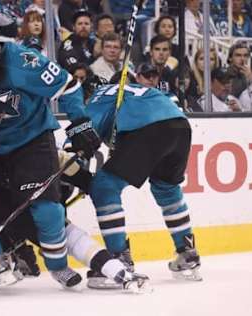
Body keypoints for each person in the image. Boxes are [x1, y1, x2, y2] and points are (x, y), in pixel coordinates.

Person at [0, 19, 101, 289]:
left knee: (47, 211)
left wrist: (80, 123)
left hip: (32, 140)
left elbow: (69, 86)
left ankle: (58, 266)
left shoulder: (24, 61)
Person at [85, 82, 202, 281]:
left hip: (148, 128)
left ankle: (118, 259)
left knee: (104, 186)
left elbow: (85, 132)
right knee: (166, 187)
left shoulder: (98, 96)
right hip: (180, 125)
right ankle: (187, 254)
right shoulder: (139, 90)